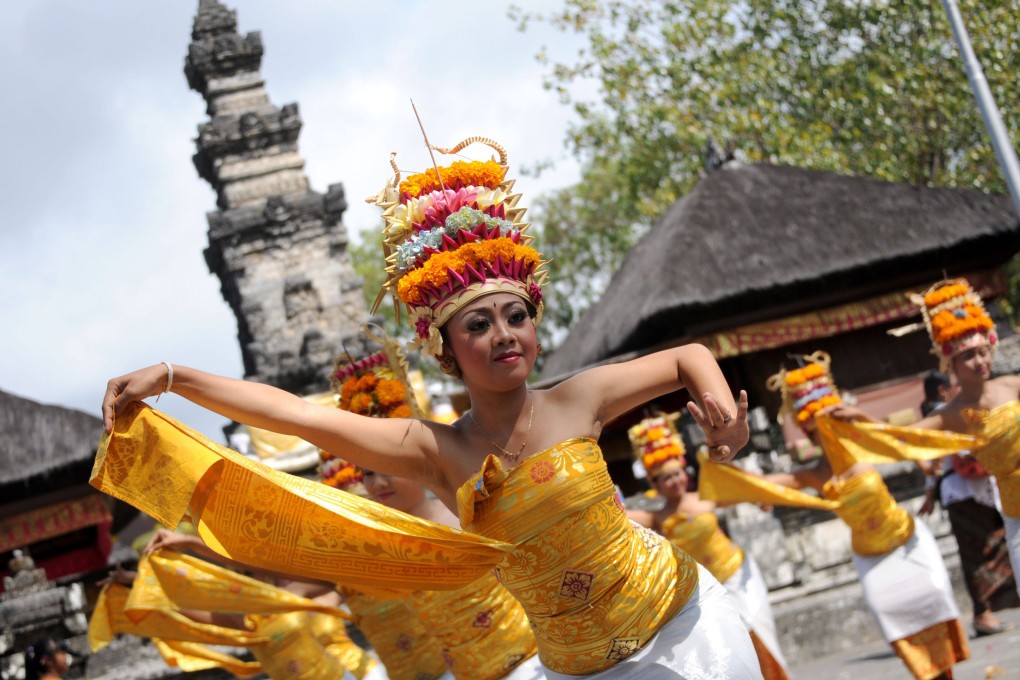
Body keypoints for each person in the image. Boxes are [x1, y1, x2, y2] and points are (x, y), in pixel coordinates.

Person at [97, 137, 760, 678]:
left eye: (517, 316)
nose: (504, 334)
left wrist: (723, 414)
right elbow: (299, 418)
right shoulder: (436, 453)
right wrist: (175, 376)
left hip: (687, 631)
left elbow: (687, 356)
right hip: (578, 671)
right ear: (444, 350)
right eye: (479, 325)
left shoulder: (576, 399)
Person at [703, 352, 969, 680]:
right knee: (895, 621)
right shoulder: (815, 474)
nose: (824, 434)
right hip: (871, 558)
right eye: (815, 431)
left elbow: (912, 447)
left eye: (829, 423)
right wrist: (726, 455)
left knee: (934, 600)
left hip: (906, 540)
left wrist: (863, 417)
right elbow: (758, 486)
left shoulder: (865, 445)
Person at [330, 340, 540, 680]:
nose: (378, 483)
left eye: (389, 467)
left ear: (414, 460)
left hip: (533, 664)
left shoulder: (468, 508)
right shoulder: (384, 547)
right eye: (368, 472)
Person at [626, 414, 789, 679]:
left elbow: (745, 489)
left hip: (738, 574)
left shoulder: (705, 497)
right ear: (654, 485)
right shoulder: (657, 518)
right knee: (734, 647)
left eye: (678, 474)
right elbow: (620, 518)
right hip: (708, 590)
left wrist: (761, 498)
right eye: (666, 478)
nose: (675, 481)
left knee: (762, 639)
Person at [915, 368, 1018, 636]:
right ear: (944, 389)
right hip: (964, 491)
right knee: (977, 552)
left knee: (992, 547)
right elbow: (923, 451)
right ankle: (982, 612)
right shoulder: (946, 415)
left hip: (985, 489)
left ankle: (993, 606)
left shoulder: (997, 393)